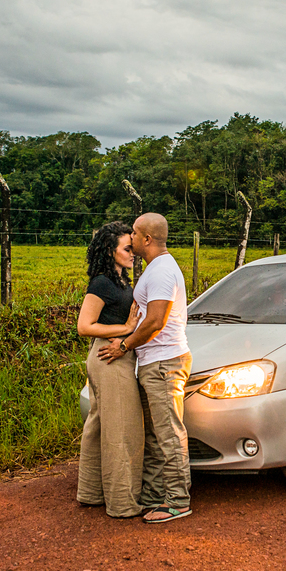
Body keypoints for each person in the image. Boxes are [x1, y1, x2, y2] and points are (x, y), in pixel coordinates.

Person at [98, 212, 193, 524]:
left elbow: (155, 321)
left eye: (135, 234)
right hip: (154, 362)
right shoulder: (156, 269)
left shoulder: (163, 271)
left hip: (164, 362)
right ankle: (153, 496)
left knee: (168, 432)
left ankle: (178, 500)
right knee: (154, 435)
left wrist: (124, 345)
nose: (131, 238)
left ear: (147, 239)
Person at [76, 221, 143, 518]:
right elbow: (84, 326)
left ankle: (91, 493)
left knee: (100, 423)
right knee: (121, 429)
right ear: (109, 250)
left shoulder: (119, 281)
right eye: (128, 249)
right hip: (109, 357)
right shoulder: (102, 282)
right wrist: (127, 328)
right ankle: (123, 503)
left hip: (110, 356)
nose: (133, 253)